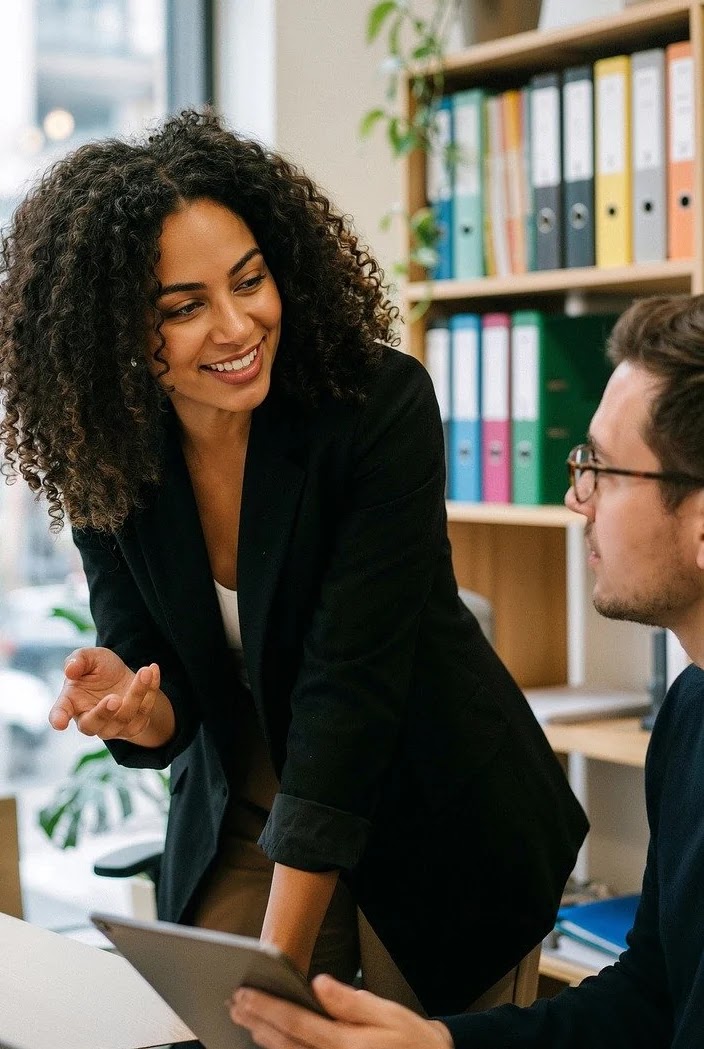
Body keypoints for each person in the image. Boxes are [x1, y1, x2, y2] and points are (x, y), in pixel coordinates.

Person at [0, 108, 586, 1015]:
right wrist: (143, 709)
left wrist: (275, 965)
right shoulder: (107, 449)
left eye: (250, 281)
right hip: (249, 800)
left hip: (431, 799)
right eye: (184, 307)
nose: (237, 326)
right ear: (113, 334)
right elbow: (152, 663)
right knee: (224, 1024)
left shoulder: (376, 407)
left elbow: (347, 696)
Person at [228, 293, 704, 1049]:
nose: (575, 498)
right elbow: (651, 994)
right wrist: (438, 1045)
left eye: (603, 471)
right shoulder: (689, 711)